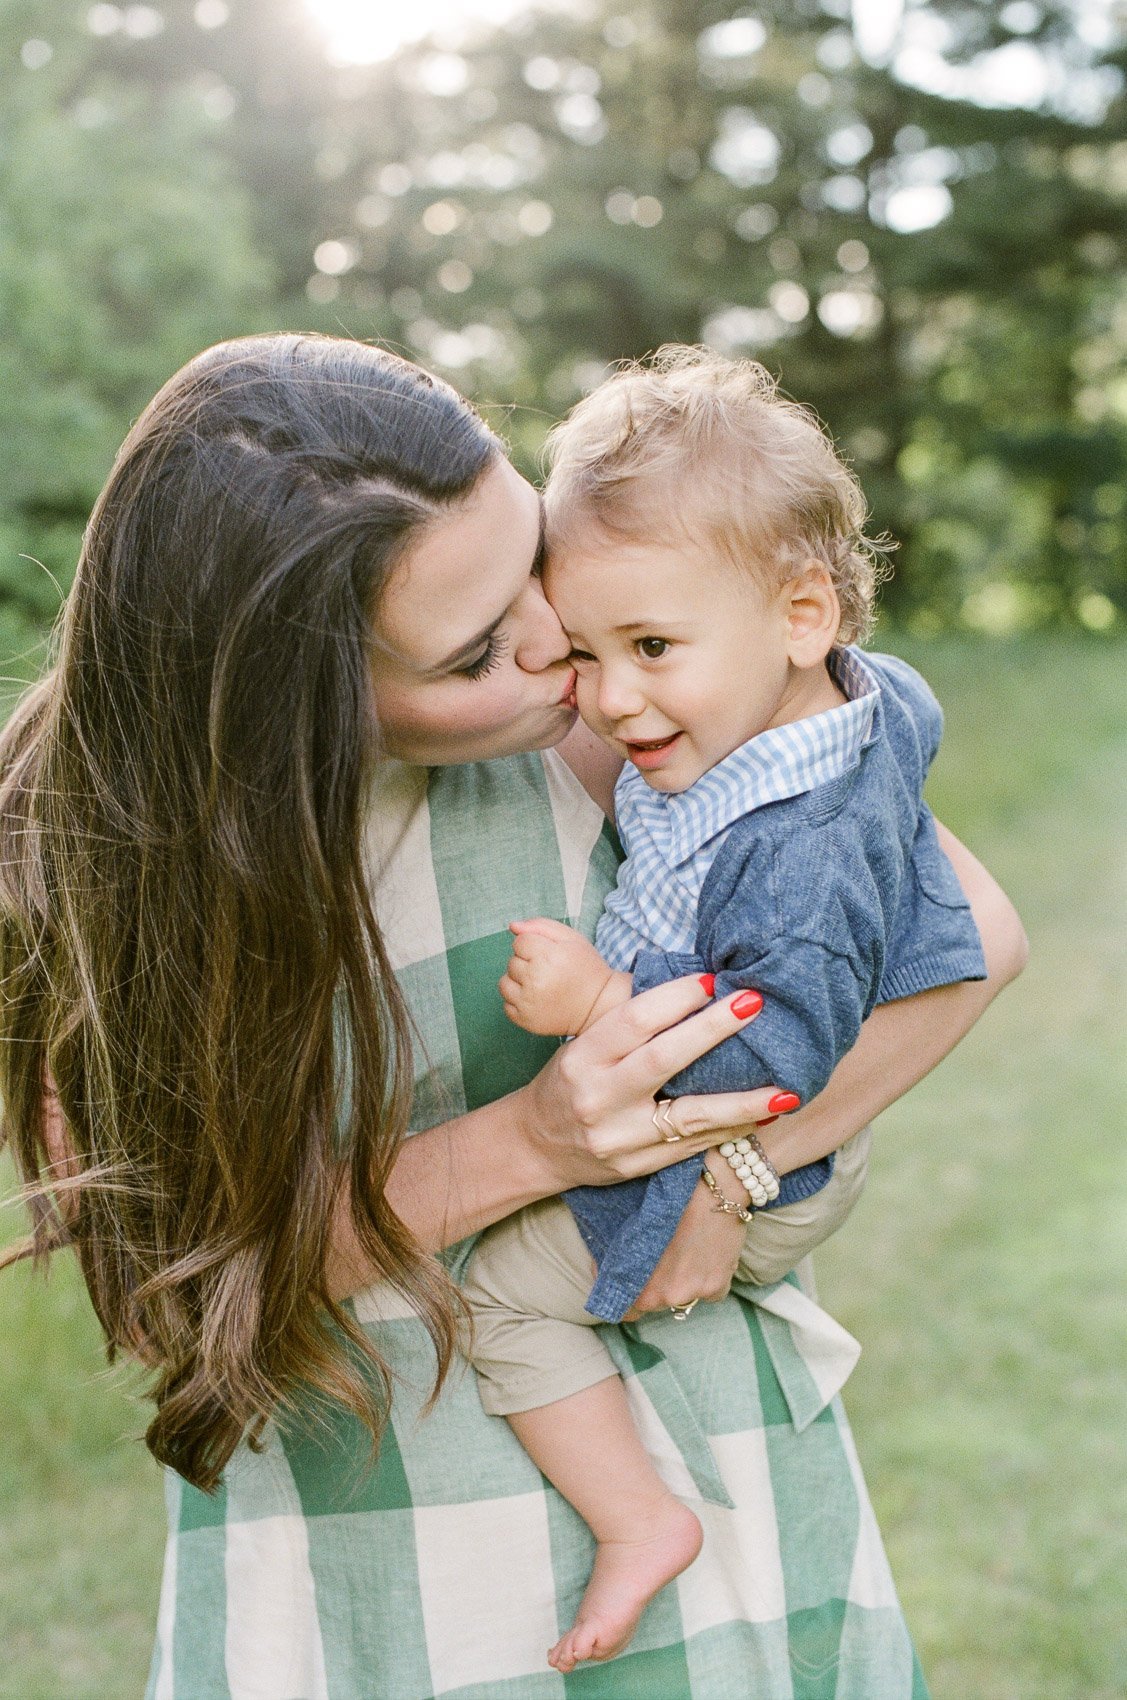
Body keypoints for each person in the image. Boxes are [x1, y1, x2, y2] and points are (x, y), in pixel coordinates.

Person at [0, 334, 1026, 1700]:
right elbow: (171, 1287)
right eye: (480, 645)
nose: (559, 650)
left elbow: (974, 944)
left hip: (697, 1471)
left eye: (528, 557)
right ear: (293, 706)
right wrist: (535, 1144)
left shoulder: (615, 712)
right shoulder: (77, 861)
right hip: (379, 1547)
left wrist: (730, 1172)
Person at [461, 348, 993, 1673]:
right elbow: (907, 707)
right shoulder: (824, 707)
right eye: (583, 651)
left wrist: (597, 1004)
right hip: (757, 1128)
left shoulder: (797, 852)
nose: (612, 696)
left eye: (650, 647)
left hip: (759, 1148)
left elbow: (771, 1060)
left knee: (497, 1299)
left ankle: (638, 1519)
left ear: (803, 615)